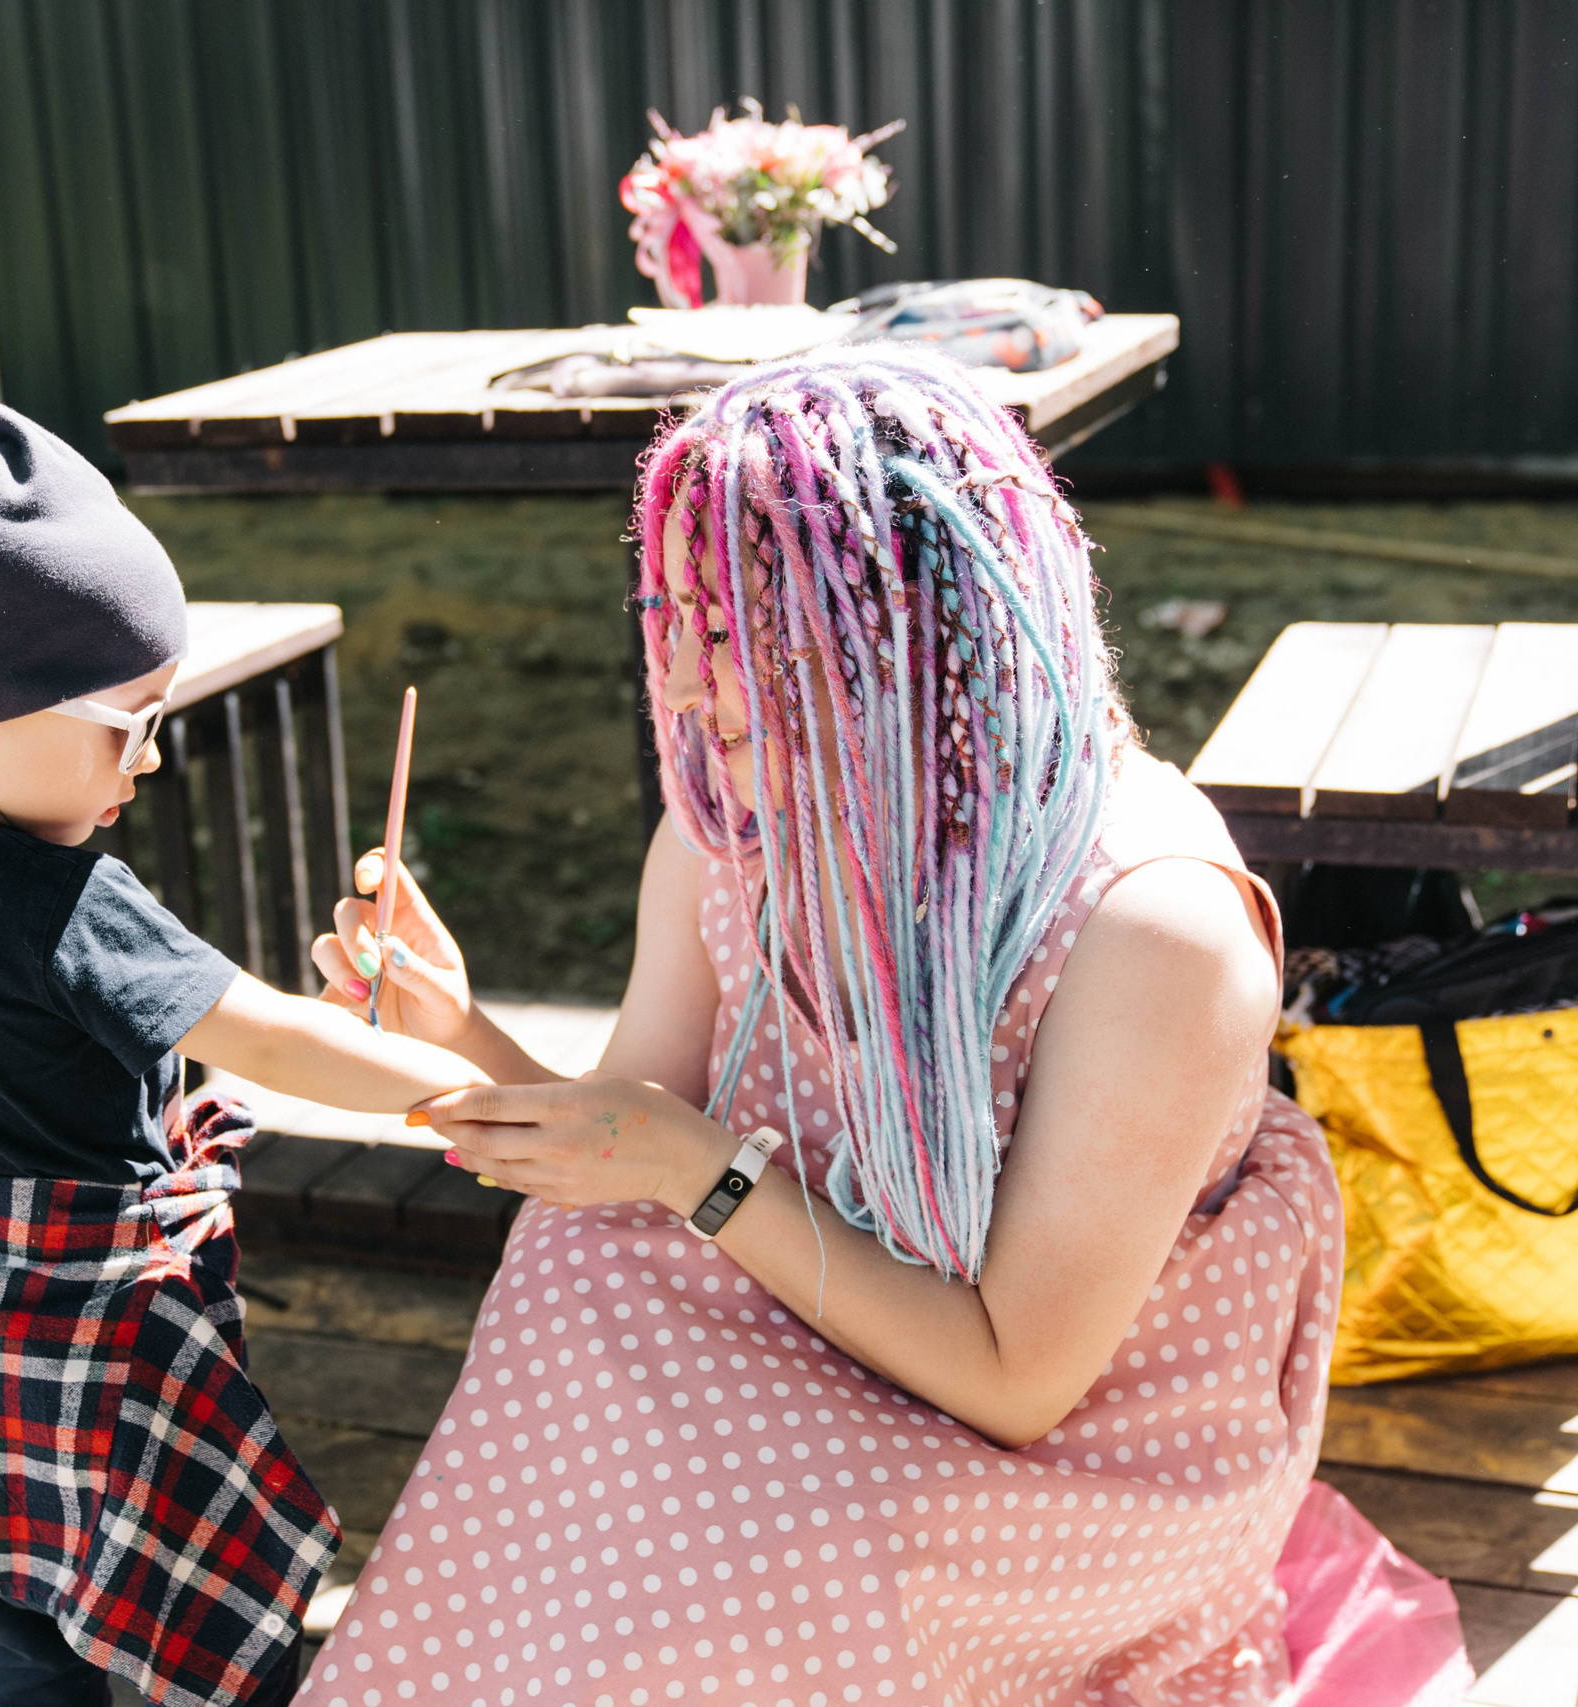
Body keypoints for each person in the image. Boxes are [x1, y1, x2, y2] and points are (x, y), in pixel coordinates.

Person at [302, 351, 1466, 1705]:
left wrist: (699, 1170)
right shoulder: (737, 819)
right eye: (667, 617)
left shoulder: (1154, 930)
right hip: (808, 1311)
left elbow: (1016, 1375)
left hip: (1074, 1431)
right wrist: (459, 1036)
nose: (678, 685)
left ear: (912, 628)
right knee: (572, 1272)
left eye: (730, 637)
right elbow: (623, 1137)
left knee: (781, 1580)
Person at [0, 391, 496, 1707]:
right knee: (221, 1610)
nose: (153, 758)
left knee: (29, 1634)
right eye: (129, 726)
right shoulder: (60, 894)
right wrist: (468, 1093)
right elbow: (269, 1037)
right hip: (101, 1347)